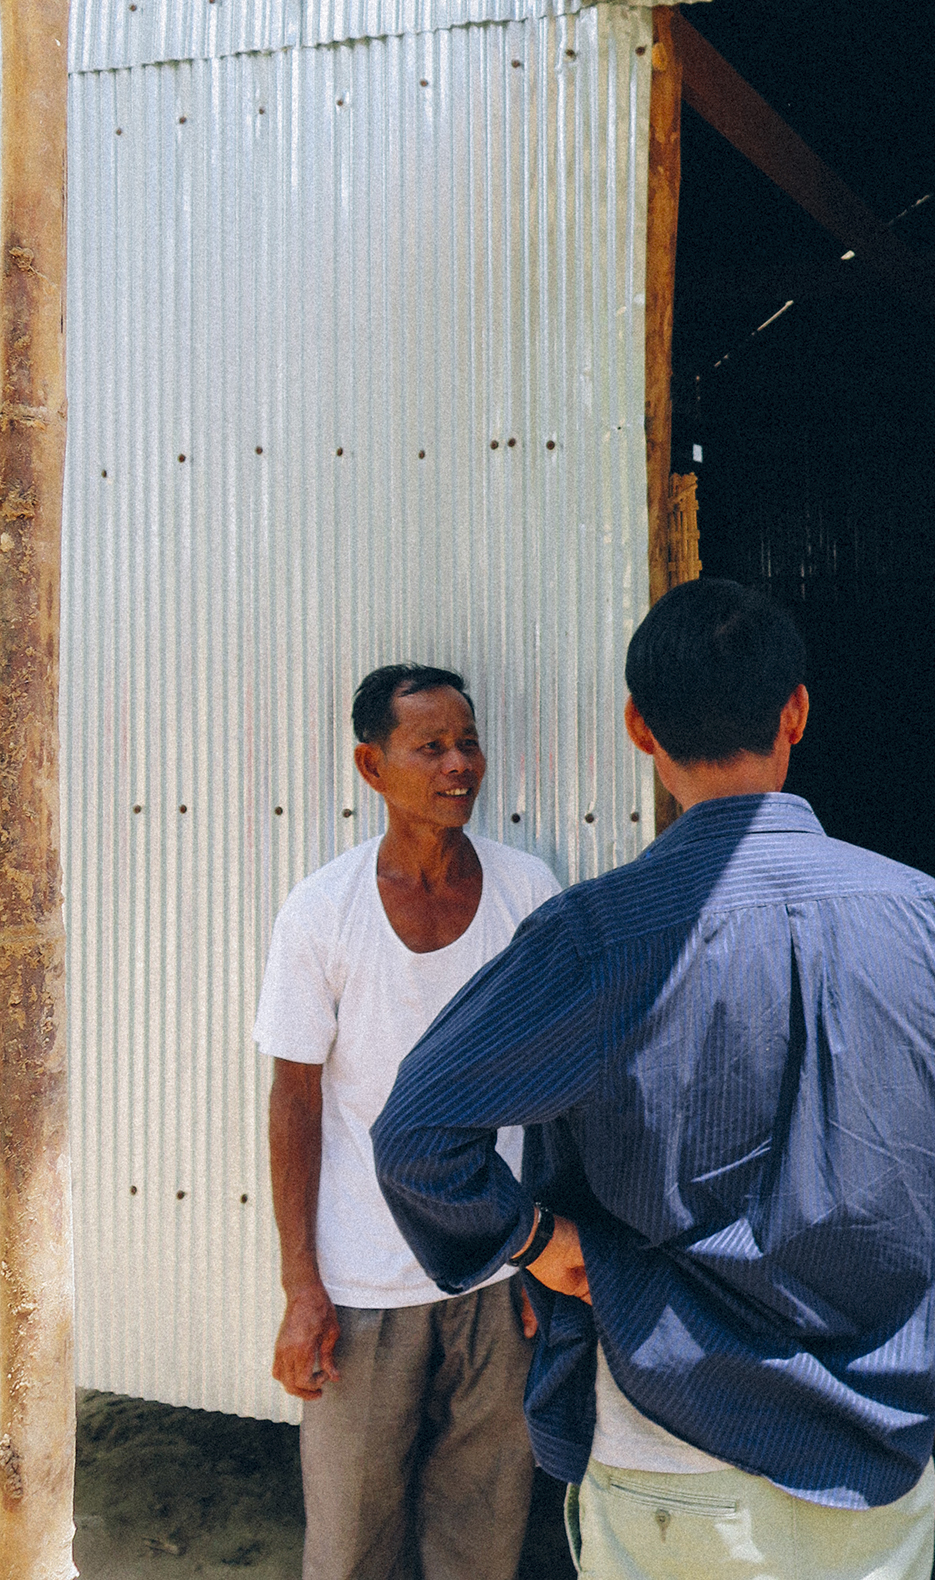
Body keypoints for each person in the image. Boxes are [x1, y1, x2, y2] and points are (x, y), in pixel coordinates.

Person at [371, 579, 935, 1580]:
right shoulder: (926, 915)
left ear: (637, 725)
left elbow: (416, 1128)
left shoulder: (601, 932)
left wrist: (535, 1239)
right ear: (796, 710)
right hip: (880, 1446)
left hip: (669, 1440)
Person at [253, 663, 560, 1580]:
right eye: (431, 746)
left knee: (483, 1537)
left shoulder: (526, 892)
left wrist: (542, 1250)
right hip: (363, 1288)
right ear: (370, 765)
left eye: (467, 742)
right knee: (350, 1546)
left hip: (498, 1276)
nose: (459, 763)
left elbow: (555, 1091)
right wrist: (301, 1284)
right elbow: (295, 1099)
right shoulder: (322, 910)